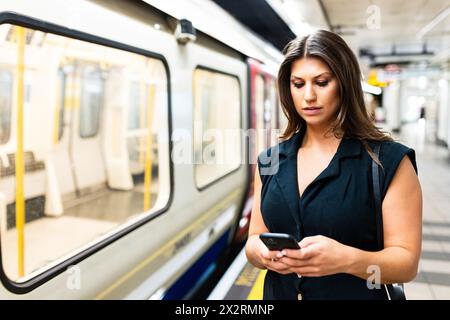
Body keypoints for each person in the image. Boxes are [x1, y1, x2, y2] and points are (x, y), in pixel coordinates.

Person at [245, 30, 422, 300]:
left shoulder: (387, 162)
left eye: (322, 82)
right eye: (298, 84)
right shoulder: (270, 160)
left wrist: (347, 260)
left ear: (345, 84)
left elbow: (406, 263)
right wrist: (260, 253)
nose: (309, 96)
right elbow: (254, 238)